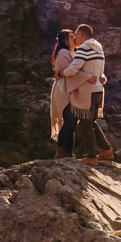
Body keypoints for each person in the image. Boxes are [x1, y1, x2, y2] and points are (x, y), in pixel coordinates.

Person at [65, 23, 113, 162]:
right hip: (99, 91)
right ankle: (106, 150)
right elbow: (97, 70)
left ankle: (91, 156)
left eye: (76, 35)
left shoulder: (84, 48)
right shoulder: (98, 47)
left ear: (82, 35)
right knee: (91, 122)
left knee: (85, 124)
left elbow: (74, 68)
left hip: (88, 92)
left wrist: (62, 73)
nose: (75, 38)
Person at [48, 29, 76, 158]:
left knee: (71, 121)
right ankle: (61, 151)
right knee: (69, 120)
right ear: (65, 39)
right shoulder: (64, 52)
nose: (74, 38)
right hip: (64, 90)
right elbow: (71, 71)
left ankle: (68, 151)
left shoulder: (71, 52)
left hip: (69, 89)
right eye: (71, 36)